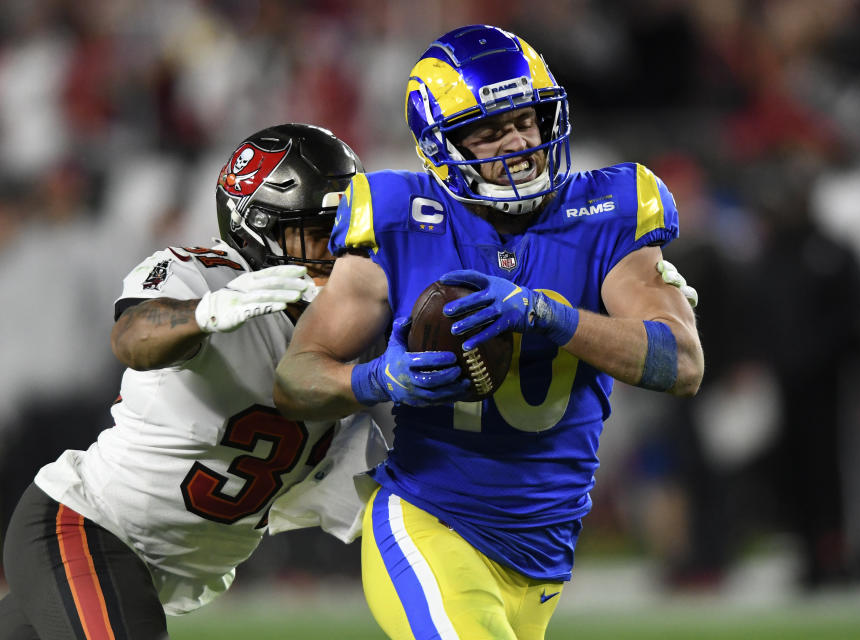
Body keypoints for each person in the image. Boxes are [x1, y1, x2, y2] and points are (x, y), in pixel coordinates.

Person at [274, 24, 704, 640]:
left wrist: (551, 315)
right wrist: (373, 377)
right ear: (439, 144)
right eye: (489, 130)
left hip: (544, 552)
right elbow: (294, 379)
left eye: (526, 120)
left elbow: (683, 365)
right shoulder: (397, 216)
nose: (519, 144)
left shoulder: (610, 209)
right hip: (431, 521)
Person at [0, 123, 385, 639]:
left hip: (157, 569)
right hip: (87, 526)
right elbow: (132, 338)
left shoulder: (355, 322)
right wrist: (205, 313)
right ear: (261, 229)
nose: (339, 251)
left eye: (347, 230)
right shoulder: (206, 277)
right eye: (319, 232)